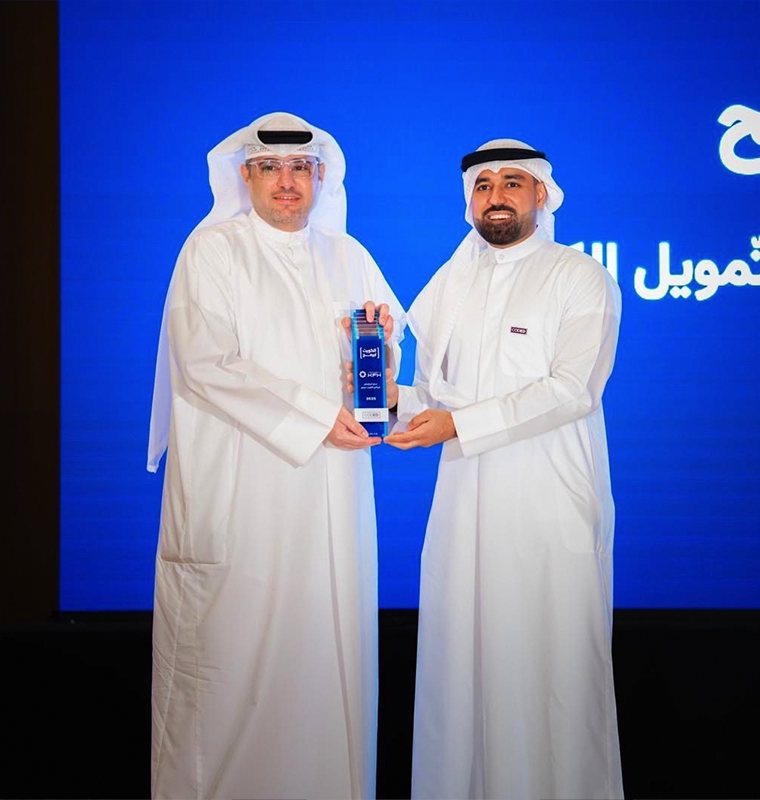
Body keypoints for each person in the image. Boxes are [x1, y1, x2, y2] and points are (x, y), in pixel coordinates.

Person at [146, 112, 403, 800]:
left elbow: (384, 360)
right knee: (230, 676)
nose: (287, 182)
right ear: (246, 176)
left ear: (320, 177)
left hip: (333, 497)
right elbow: (206, 364)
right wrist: (317, 418)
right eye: (271, 169)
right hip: (242, 498)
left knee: (326, 663)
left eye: (300, 169)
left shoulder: (348, 256)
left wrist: (377, 364)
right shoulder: (212, 251)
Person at [385, 140, 624, 799]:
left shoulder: (579, 276)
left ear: (541, 194)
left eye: (512, 183)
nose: (496, 196)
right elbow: (434, 396)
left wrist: (458, 425)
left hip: (547, 505)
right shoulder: (450, 284)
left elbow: (573, 390)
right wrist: (384, 396)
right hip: (463, 507)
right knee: (460, 673)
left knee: (552, 675)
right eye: (483, 185)